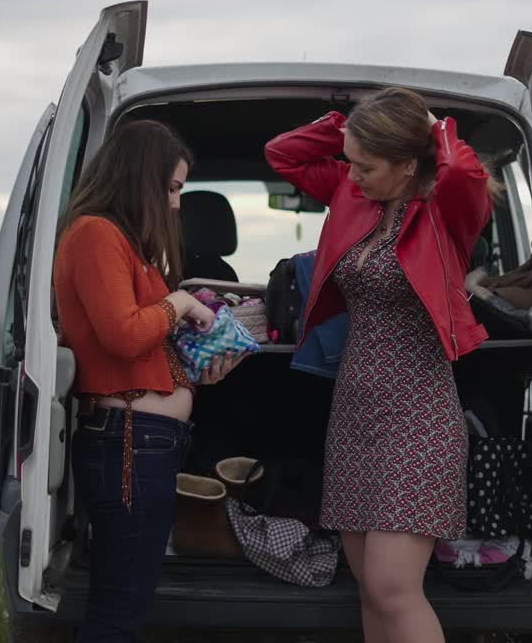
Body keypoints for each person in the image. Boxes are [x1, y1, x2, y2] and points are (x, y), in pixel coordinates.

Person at [265, 87, 493, 643]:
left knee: (395, 590)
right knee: (370, 588)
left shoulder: (446, 212)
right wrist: (349, 124)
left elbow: (464, 174)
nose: (355, 173)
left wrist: (434, 126)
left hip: (419, 418)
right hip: (355, 413)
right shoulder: (353, 193)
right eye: (352, 162)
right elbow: (283, 154)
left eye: (367, 164)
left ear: (407, 164)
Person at [54, 119, 245, 642]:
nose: (178, 203)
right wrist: (180, 301)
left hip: (143, 442)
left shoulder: (126, 245)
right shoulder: (95, 234)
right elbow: (123, 335)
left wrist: (197, 366)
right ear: (141, 178)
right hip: (128, 444)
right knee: (119, 611)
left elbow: (144, 344)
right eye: (174, 187)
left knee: (127, 601)